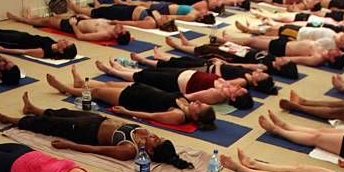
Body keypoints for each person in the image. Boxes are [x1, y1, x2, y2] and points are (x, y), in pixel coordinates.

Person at [0, 91, 193, 170]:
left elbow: (95, 150)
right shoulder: (146, 136)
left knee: (49, 125)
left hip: (86, 132)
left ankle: (9, 119)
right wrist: (126, 112)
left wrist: (69, 145)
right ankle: (33, 108)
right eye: (158, 136)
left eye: (155, 141)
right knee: (62, 111)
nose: (154, 136)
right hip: (97, 118)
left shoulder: (129, 151)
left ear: (152, 153)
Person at [45, 71, 217, 130]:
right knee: (107, 83)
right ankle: (80, 84)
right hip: (140, 89)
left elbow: (152, 116)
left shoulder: (179, 115)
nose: (198, 102)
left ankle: (65, 89)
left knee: (97, 92)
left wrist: (128, 112)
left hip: (133, 100)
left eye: (200, 106)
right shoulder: (186, 101)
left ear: (196, 117)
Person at [96, 58, 254, 109]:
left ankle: (113, 72)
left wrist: (167, 97)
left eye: (240, 91)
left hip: (177, 83)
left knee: (143, 77)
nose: (239, 87)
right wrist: (218, 64)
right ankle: (120, 68)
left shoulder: (217, 95)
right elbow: (216, 75)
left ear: (233, 98)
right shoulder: (227, 86)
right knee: (148, 73)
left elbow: (189, 96)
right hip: (184, 74)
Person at [129, 47, 278, 96]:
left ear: (257, 82)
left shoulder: (243, 81)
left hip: (208, 70)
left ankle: (145, 62)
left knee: (175, 68)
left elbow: (218, 79)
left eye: (261, 75)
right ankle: (158, 57)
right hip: (209, 65)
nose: (259, 72)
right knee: (180, 61)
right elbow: (241, 66)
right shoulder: (248, 73)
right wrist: (224, 62)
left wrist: (219, 65)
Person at [163, 32, 299, 80]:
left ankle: (179, 46)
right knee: (209, 47)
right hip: (240, 51)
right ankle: (188, 43)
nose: (282, 58)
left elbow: (244, 65)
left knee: (206, 52)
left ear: (281, 68)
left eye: (284, 61)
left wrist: (224, 64)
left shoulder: (264, 67)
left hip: (233, 57)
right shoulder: (272, 58)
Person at [0, 18, 77, 60]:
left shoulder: (45, 52)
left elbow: (23, 52)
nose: (64, 40)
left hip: (14, 42)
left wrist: (3, 50)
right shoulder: (53, 43)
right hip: (21, 35)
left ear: (61, 51)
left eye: (66, 43)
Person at [216, 31, 344, 69]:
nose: (337, 50)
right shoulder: (324, 50)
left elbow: (296, 59)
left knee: (252, 42)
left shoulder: (317, 59)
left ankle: (225, 41)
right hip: (287, 43)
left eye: (338, 53)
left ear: (333, 58)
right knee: (257, 39)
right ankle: (229, 40)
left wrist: (279, 59)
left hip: (281, 49)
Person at [6, 10, 131, 45]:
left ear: (117, 35)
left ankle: (22, 20)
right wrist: (85, 18)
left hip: (73, 26)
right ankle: (30, 18)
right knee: (52, 17)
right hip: (80, 20)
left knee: (48, 21)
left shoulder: (104, 34)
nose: (120, 27)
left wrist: (73, 25)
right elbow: (94, 22)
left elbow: (81, 37)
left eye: (122, 29)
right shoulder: (111, 25)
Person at [249, 7, 344, 34]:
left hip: (325, 23)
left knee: (289, 22)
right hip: (327, 19)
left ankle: (265, 17)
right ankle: (265, 15)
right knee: (287, 16)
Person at [234, 22, 344, 53]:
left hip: (298, 36)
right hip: (301, 30)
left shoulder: (330, 43)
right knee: (275, 29)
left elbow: (312, 44)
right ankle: (254, 29)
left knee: (274, 31)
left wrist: (295, 41)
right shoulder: (333, 35)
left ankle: (250, 30)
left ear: (343, 45)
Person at [67, 0, 178, 32]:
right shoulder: (158, 16)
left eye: (166, 20)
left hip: (124, 14)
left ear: (162, 25)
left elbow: (135, 23)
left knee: (101, 12)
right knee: (107, 8)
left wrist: (118, 22)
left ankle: (78, 10)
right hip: (129, 9)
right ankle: (94, 8)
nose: (165, 17)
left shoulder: (152, 23)